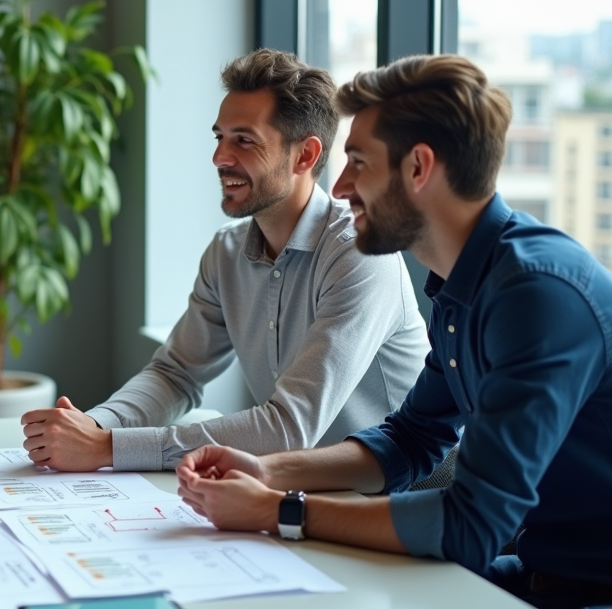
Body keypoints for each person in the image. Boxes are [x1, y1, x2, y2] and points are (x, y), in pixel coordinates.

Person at [177, 54, 612, 609]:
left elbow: (469, 526)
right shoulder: (466, 285)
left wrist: (278, 508)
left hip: (587, 605)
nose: (340, 187)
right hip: (538, 580)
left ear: (418, 168)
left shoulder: (535, 295)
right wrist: (266, 469)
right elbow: (411, 437)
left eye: (357, 162)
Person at [22, 49, 429, 472]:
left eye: (244, 140)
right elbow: (175, 374)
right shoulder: (228, 252)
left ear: (305, 156)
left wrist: (109, 447)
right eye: (220, 137)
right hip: (300, 486)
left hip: (403, 491)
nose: (220, 157)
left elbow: (288, 429)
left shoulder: (360, 254)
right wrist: (91, 425)